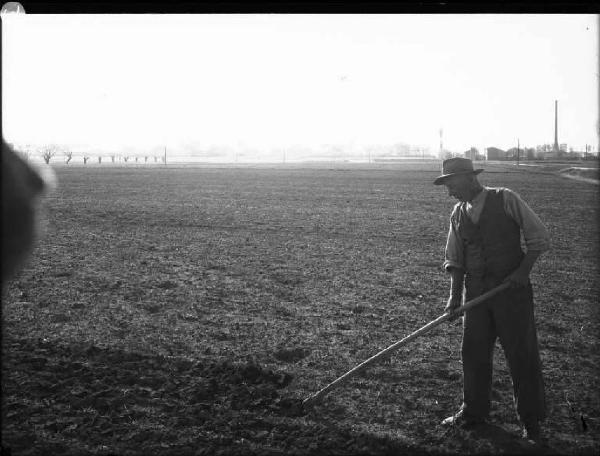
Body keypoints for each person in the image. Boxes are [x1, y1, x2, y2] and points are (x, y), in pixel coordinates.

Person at [434, 157, 549, 444]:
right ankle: (473, 411)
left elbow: (539, 237)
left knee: (521, 355)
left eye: (452, 184)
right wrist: (453, 299)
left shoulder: (505, 198)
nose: (449, 191)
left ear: (470, 178)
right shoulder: (457, 214)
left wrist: (523, 272)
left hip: (512, 294)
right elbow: (455, 260)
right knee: (472, 353)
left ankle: (531, 423)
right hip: (475, 295)